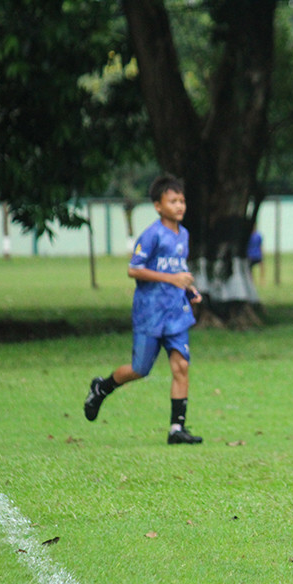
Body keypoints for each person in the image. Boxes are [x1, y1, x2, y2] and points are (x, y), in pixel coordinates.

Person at [83, 174, 205, 445]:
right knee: (140, 369)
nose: (179, 206)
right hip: (150, 313)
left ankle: (177, 429)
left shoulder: (183, 234)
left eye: (182, 200)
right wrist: (172, 279)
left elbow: (177, 269)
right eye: (172, 201)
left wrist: (188, 288)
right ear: (158, 206)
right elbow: (134, 269)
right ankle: (102, 388)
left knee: (181, 366)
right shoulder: (151, 235)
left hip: (176, 313)